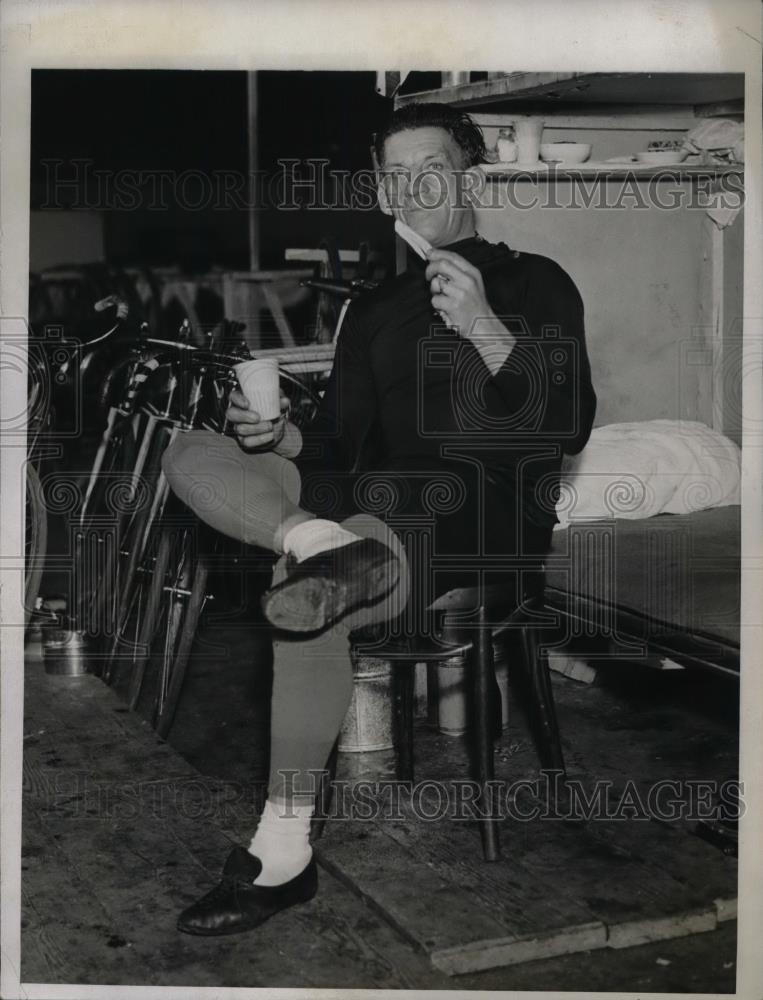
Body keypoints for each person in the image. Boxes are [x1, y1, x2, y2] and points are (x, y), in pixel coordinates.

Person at [162, 101, 596, 936]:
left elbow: (564, 423)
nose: (410, 186)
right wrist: (283, 436)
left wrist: (480, 323)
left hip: (480, 507)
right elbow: (337, 450)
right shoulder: (373, 306)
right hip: (369, 511)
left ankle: (280, 849)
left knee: (321, 580)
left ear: (470, 174)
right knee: (190, 447)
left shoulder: (534, 281)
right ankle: (315, 543)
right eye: (393, 174)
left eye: (429, 167)